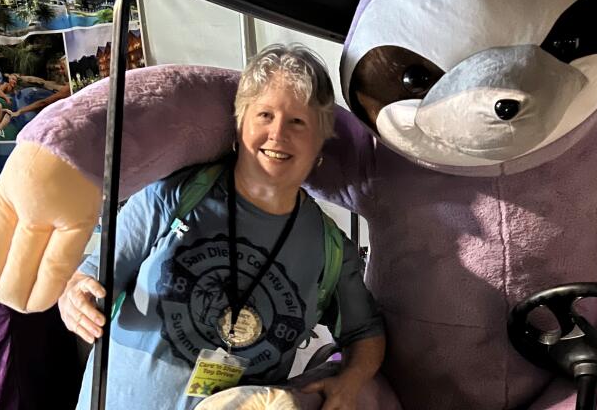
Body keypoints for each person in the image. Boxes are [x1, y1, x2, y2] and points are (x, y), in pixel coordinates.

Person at [58, 44, 385, 410]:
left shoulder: (329, 248)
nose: (278, 133)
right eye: (264, 115)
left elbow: (366, 332)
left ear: (319, 143)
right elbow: (90, 279)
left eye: (298, 121)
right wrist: (73, 295)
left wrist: (351, 382)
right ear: (240, 124)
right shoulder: (174, 195)